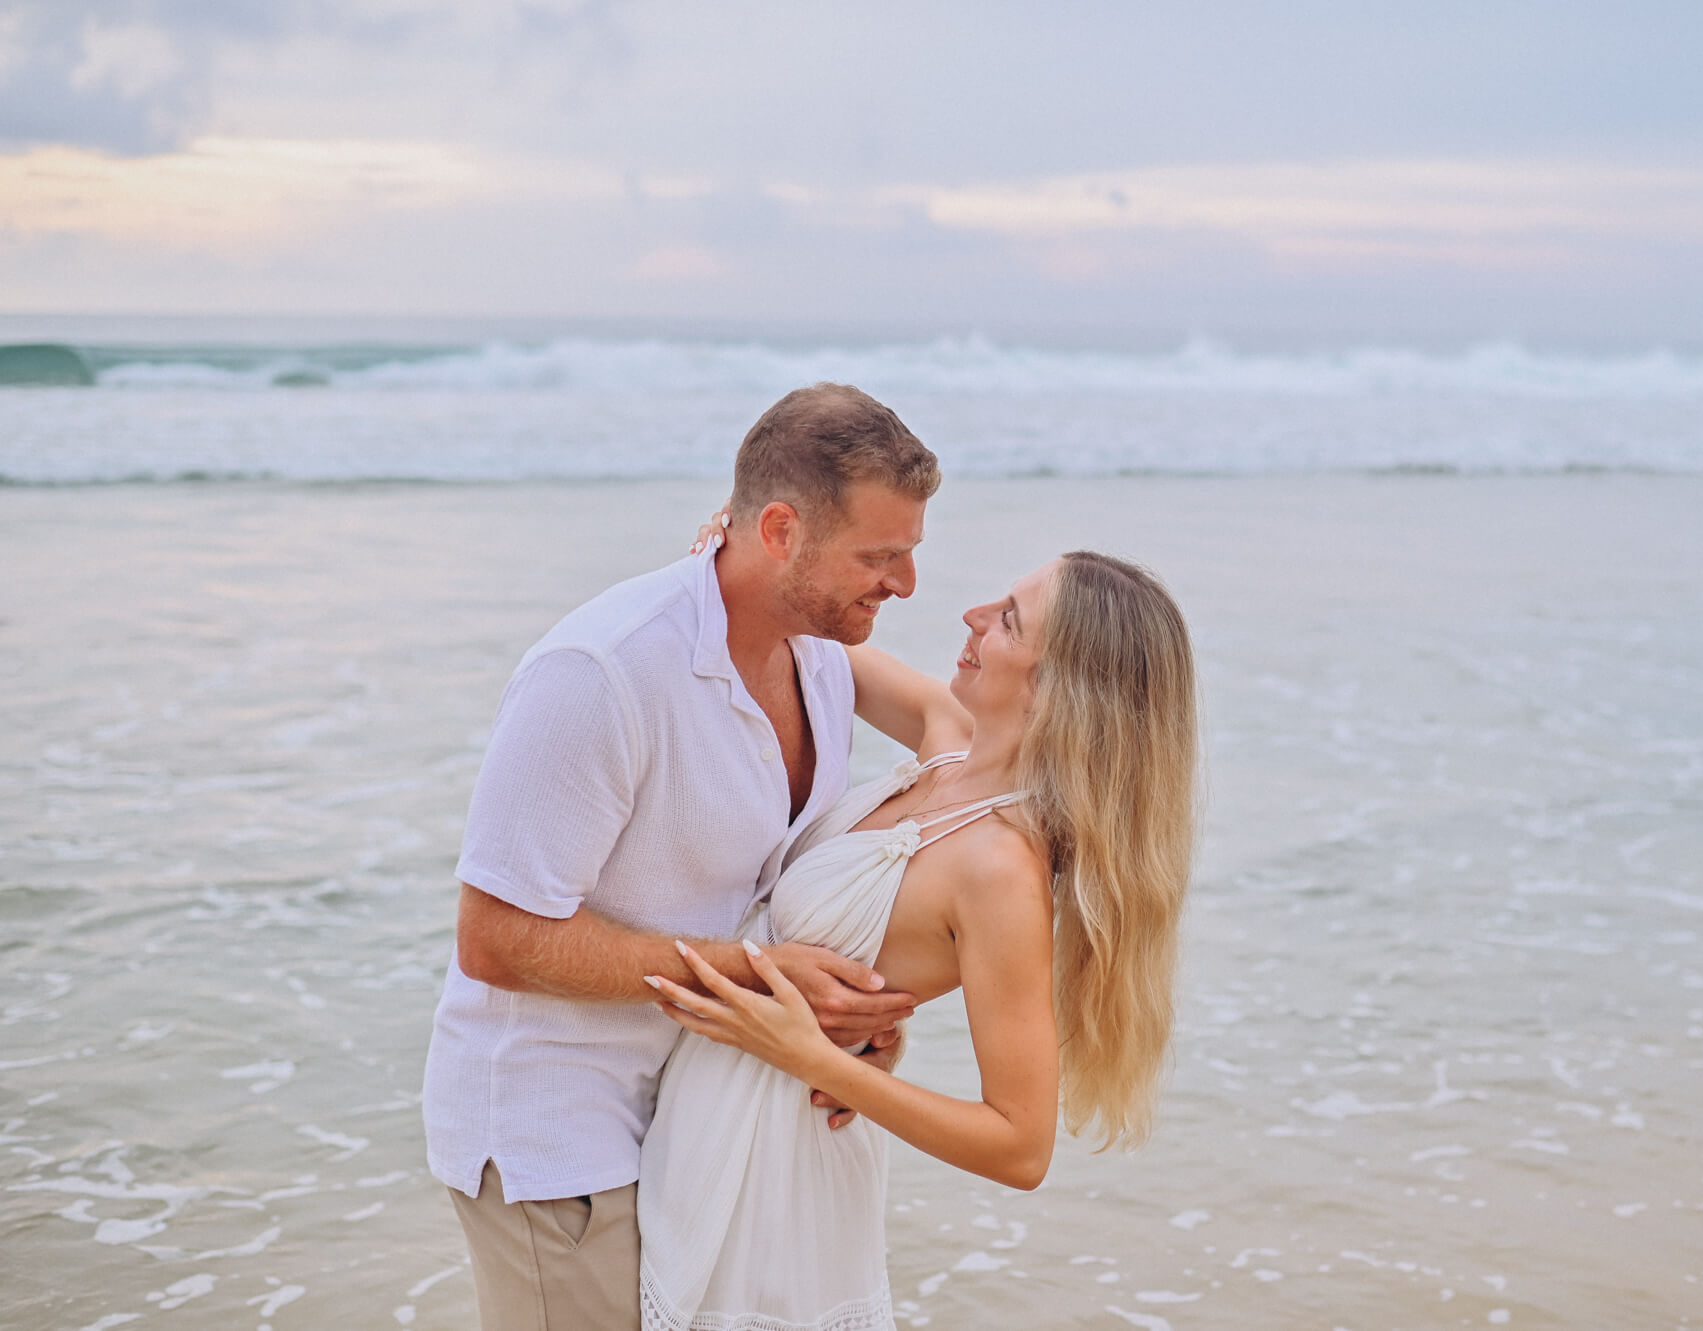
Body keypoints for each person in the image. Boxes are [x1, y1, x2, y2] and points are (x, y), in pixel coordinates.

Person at [421, 383, 941, 1331]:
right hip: (556, 1129)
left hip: (696, 1114)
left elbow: (957, 748)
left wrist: (846, 1018)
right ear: (780, 528)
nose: (904, 583)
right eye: (880, 555)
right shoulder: (603, 671)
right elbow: (494, 937)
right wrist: (757, 978)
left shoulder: (821, 656)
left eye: (910, 552)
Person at [637, 536, 1200, 1331]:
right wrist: (745, 527)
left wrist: (813, 1055)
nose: (970, 615)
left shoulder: (1001, 871)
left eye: (1006, 620)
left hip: (782, 1167)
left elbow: (1019, 1145)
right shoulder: (946, 743)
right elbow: (796, 627)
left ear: (1053, 686)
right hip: (700, 1117)